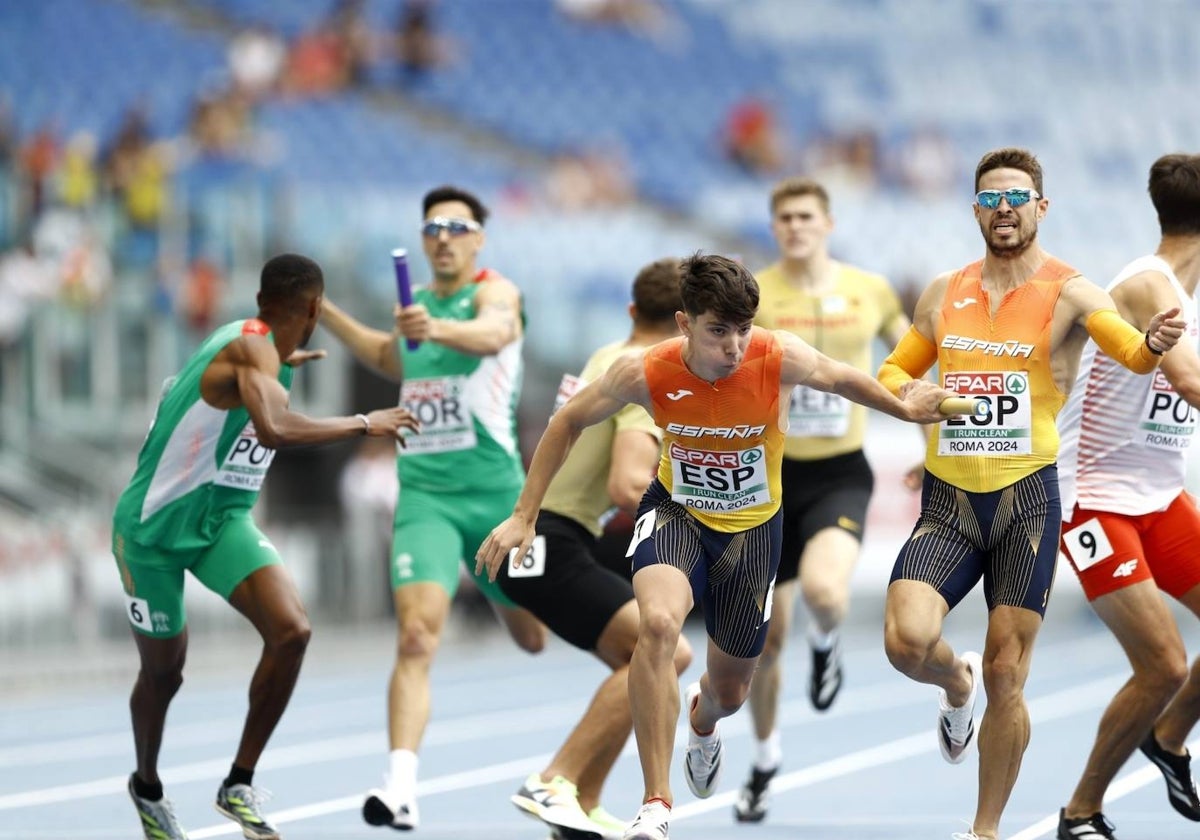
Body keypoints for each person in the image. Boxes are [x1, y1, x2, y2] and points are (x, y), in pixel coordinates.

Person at [477, 253, 956, 840]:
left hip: (753, 535)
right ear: (684, 323)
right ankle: (656, 803)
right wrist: (525, 516)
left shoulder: (774, 355)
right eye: (718, 331)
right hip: (677, 514)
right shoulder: (644, 371)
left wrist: (904, 405)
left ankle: (703, 724)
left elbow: (839, 377)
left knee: (729, 692)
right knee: (657, 625)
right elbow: (568, 421)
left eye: (743, 329)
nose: (734, 346)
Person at [875, 147, 1187, 840]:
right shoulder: (942, 291)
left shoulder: (1072, 290)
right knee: (905, 641)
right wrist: (910, 395)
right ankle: (950, 685)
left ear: (1040, 208)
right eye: (990, 199)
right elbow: (895, 367)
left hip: (1029, 507)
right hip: (950, 505)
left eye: (1016, 198)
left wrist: (1157, 342)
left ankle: (983, 830)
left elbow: (1131, 352)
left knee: (1006, 672)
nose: (1004, 210)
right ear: (976, 210)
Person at [112, 253, 420, 840]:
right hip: (151, 529)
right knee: (164, 675)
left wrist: (274, 368)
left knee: (292, 631)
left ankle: (238, 783)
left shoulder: (261, 349)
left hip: (220, 517)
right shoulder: (252, 348)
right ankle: (147, 786)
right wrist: (364, 422)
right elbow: (277, 429)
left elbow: (192, 387)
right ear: (313, 309)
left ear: (261, 300)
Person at [317, 184, 547, 831]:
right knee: (416, 637)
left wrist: (436, 326)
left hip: (499, 495)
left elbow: (494, 333)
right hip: (425, 495)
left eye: (457, 227)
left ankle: (506, 599)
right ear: (423, 241)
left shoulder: (497, 294)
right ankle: (401, 787)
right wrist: (326, 312)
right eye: (432, 229)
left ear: (478, 239)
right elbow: (391, 356)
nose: (443, 237)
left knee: (532, 637)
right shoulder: (410, 304)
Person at [735, 177, 917, 822]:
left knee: (825, 591)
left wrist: (933, 426)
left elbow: (913, 350)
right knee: (762, 640)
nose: (795, 226)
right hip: (768, 478)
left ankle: (829, 640)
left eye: (806, 215)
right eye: (783, 217)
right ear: (774, 226)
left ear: (828, 222)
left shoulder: (869, 289)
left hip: (839, 471)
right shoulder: (755, 292)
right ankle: (763, 758)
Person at [499, 257, 694, 840]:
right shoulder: (645, 372)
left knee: (640, 667)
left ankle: (581, 801)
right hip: (551, 539)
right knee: (668, 655)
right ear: (686, 325)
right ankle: (552, 779)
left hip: (543, 535)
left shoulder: (606, 355)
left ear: (634, 311)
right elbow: (626, 484)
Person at [1053, 153, 1200, 840]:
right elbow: (1192, 384)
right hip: (1095, 499)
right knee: (1165, 662)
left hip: (1159, 494)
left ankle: (1167, 740)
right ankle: (1081, 809)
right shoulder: (1147, 284)